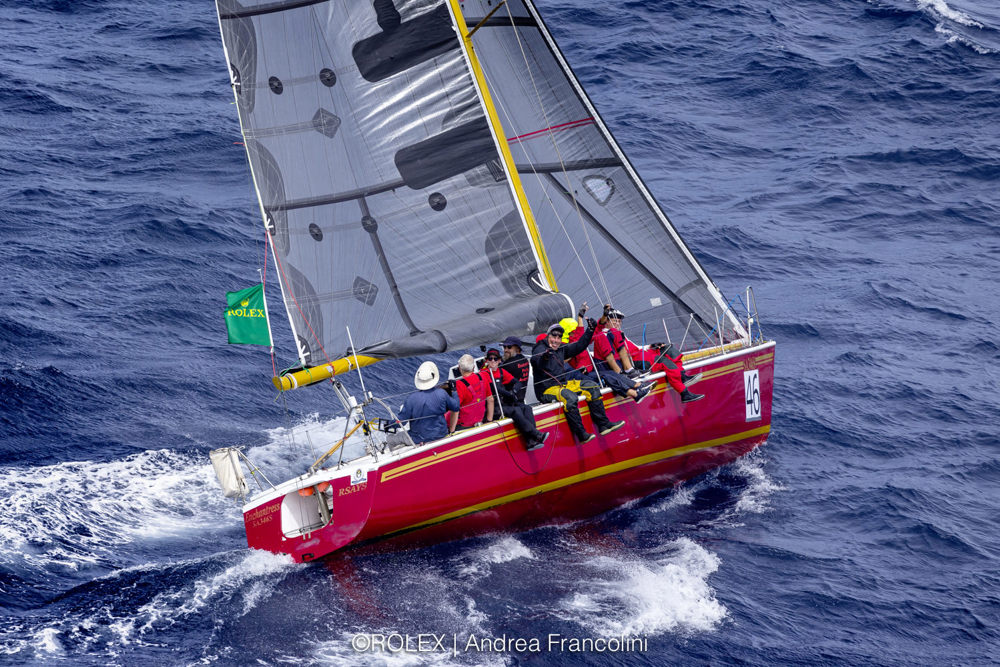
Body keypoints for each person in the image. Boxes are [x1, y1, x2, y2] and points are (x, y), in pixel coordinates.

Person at [531, 321, 625, 443]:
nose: (556, 340)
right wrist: (544, 357)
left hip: (562, 385)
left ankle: (603, 424)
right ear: (548, 336)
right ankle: (581, 434)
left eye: (559, 337)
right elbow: (535, 360)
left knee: (591, 386)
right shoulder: (540, 348)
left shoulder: (561, 349)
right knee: (569, 397)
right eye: (554, 336)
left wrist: (590, 330)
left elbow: (580, 345)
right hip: (546, 390)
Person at [483, 347, 548, 451]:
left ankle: (531, 441)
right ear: (487, 361)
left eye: (496, 359)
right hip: (493, 408)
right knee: (515, 410)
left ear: (500, 360)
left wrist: (514, 391)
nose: (493, 361)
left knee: (527, 408)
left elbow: (517, 382)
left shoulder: (501, 371)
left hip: (503, 404)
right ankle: (536, 434)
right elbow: (494, 388)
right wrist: (509, 394)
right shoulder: (484, 374)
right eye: (490, 359)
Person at [397, 361, 461, 444]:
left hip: (418, 439)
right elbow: (456, 407)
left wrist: (387, 425)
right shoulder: (442, 393)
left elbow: (401, 422)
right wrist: (454, 390)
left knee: (391, 439)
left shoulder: (411, 399)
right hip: (441, 435)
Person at [448, 354, 494, 433]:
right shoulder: (483, 376)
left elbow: (455, 410)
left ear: (459, 368)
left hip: (464, 425)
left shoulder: (459, 384)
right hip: (481, 420)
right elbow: (491, 399)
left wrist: (451, 431)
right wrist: (489, 421)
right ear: (473, 367)